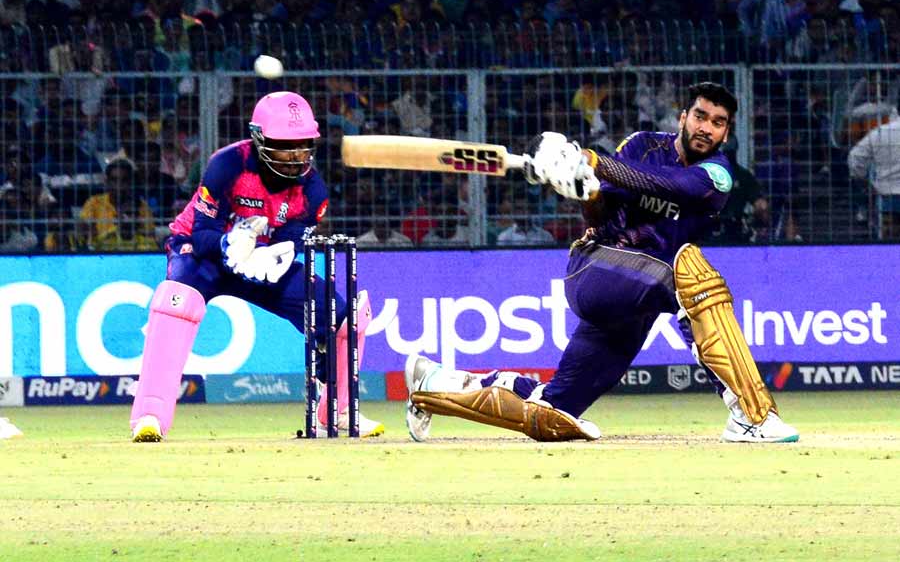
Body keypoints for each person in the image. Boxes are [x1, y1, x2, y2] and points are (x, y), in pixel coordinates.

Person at [405, 82, 799, 444]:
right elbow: (598, 214)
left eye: (717, 123)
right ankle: (752, 415)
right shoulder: (643, 145)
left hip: (639, 299)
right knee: (689, 268)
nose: (706, 128)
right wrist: (583, 189)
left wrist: (591, 160)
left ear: (726, 133)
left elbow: (669, 186)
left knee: (553, 410)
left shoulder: (718, 174)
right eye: (700, 116)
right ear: (683, 117)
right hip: (597, 269)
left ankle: (434, 383)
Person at [130, 91, 384, 442]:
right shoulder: (228, 164)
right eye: (285, 145)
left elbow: (295, 236)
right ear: (260, 139)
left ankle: (337, 412)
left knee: (343, 317)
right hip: (204, 255)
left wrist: (279, 254)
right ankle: (150, 415)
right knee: (177, 301)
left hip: (260, 263)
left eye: (303, 145)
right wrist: (226, 244)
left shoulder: (313, 190)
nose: (296, 156)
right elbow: (202, 231)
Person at [848, 99, 900, 239]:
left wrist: (864, 182)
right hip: (888, 195)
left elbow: (854, 157)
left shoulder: (880, 132)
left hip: (888, 195)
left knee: (890, 240)